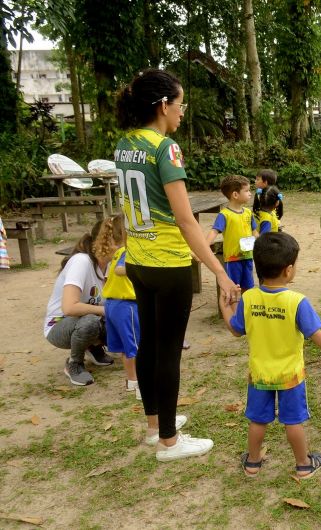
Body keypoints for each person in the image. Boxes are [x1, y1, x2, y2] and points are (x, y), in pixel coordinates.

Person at [115, 68, 239, 462]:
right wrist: (219, 272)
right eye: (180, 104)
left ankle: (156, 426)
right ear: (163, 105)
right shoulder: (164, 149)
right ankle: (169, 441)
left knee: (150, 344)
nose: (182, 112)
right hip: (169, 266)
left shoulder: (125, 143)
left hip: (137, 260)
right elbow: (187, 221)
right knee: (167, 351)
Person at [218, 232, 321, 477]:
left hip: (259, 375)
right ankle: (304, 465)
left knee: (258, 420)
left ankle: (252, 463)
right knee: (292, 421)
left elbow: (236, 329)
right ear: (288, 270)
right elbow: (318, 336)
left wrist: (226, 307)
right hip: (290, 376)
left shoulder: (249, 298)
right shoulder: (297, 302)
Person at [44, 219, 114, 386]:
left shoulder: (111, 265)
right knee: (91, 321)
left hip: (88, 319)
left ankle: (93, 347)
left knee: (123, 313)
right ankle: (74, 363)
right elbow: (69, 307)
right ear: (105, 241)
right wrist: (107, 311)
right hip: (59, 325)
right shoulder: (81, 261)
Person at [94, 214, 141, 399]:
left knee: (125, 348)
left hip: (112, 305)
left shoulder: (116, 253)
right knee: (136, 347)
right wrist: (141, 268)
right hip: (126, 305)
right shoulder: (126, 252)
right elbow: (121, 270)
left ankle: (132, 381)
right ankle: (140, 387)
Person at [205, 175, 258, 292]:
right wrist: (203, 249)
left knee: (248, 287)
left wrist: (263, 247)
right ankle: (231, 309)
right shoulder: (224, 215)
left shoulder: (249, 213)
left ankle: (244, 308)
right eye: (247, 191)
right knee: (232, 288)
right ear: (235, 194)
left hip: (248, 257)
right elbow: (214, 231)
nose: (250, 193)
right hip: (233, 259)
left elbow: (255, 233)